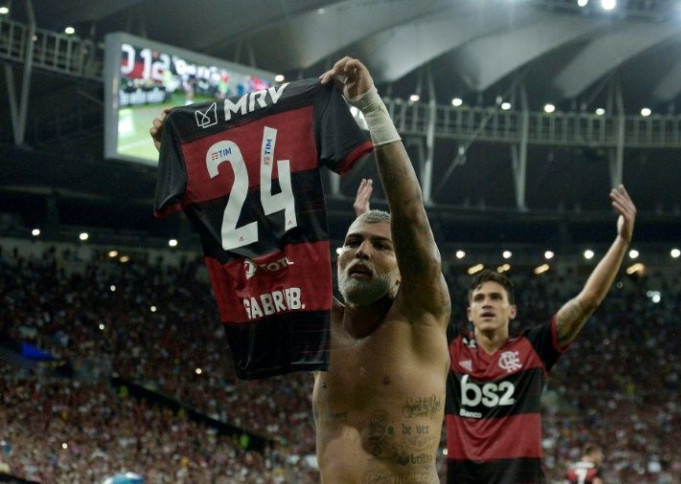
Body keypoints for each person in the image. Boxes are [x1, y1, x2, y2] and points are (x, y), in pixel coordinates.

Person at [151, 57, 451, 483]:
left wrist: (370, 106)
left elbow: (410, 214)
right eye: (352, 243)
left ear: (405, 271)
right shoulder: (319, 323)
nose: (362, 251)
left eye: (382, 246)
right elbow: (238, 238)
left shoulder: (421, 317)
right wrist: (184, 154)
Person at [444, 185, 636, 483]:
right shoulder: (453, 347)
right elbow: (414, 295)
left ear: (512, 311)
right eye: (479, 299)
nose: (487, 304)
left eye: (496, 298)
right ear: (469, 312)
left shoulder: (533, 347)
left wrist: (622, 240)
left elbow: (588, 300)